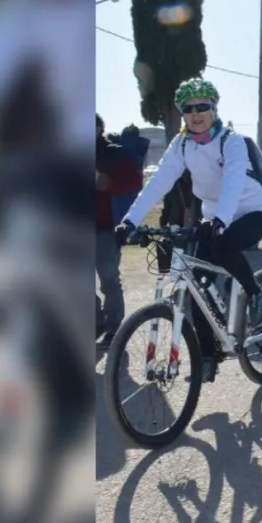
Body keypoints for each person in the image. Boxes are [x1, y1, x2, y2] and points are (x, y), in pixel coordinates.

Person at [116, 78, 262, 381]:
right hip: (215, 218)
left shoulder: (231, 141)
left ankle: (256, 295)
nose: (196, 113)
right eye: (188, 109)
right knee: (197, 284)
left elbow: (233, 182)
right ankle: (208, 356)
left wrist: (220, 220)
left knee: (225, 246)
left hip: (251, 212)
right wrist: (130, 221)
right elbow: (160, 181)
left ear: (214, 109)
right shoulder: (183, 144)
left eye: (202, 106)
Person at [96, 114, 142, 349]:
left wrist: (107, 182)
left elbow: (135, 182)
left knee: (109, 281)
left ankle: (114, 328)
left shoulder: (115, 153)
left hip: (106, 228)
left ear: (100, 128)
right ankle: (96, 321)